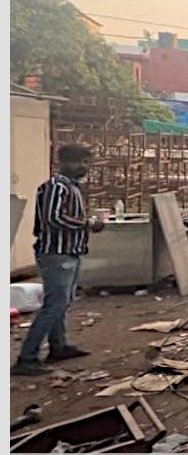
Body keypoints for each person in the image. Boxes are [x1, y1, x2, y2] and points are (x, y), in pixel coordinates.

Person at [14, 144, 105, 375]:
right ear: (63, 163)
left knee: (63, 302)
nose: (83, 167)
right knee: (54, 305)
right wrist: (86, 224)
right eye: (79, 162)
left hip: (69, 252)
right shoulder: (56, 186)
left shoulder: (71, 187)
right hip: (56, 253)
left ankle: (58, 346)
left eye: (86, 162)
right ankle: (27, 357)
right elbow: (52, 219)